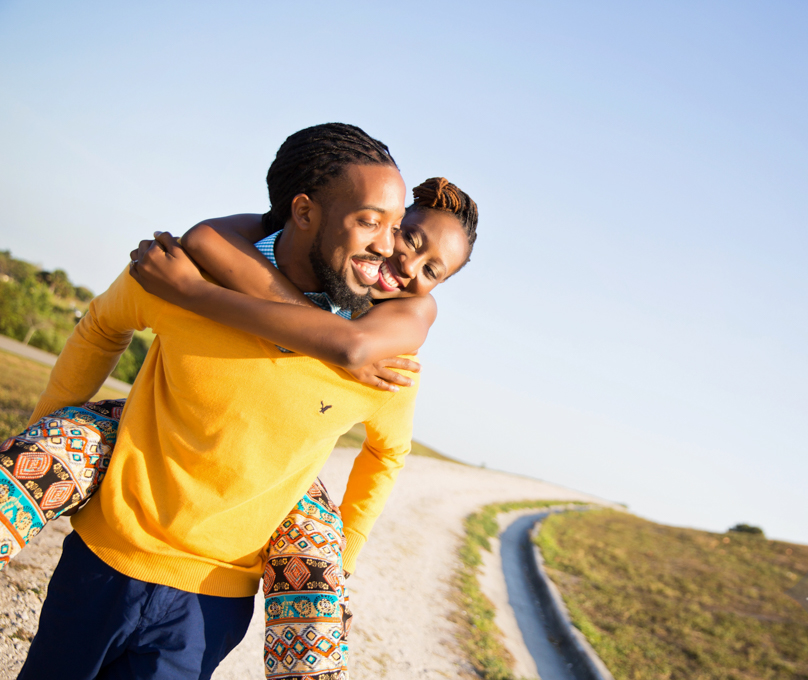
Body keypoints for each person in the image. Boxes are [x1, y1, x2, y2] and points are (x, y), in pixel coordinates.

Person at [9, 123, 470, 680]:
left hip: (212, 601)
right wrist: (42, 434)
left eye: (394, 228)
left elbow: (388, 452)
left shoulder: (383, 358)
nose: (390, 251)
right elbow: (103, 325)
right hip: (106, 559)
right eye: (377, 224)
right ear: (304, 212)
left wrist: (339, 558)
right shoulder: (192, 268)